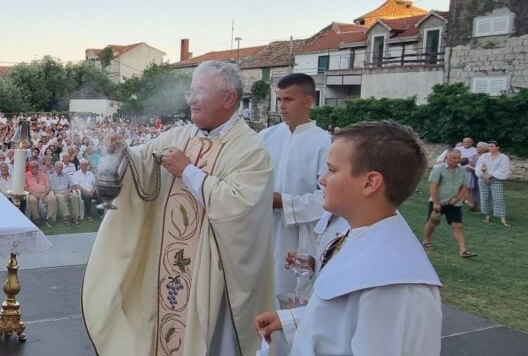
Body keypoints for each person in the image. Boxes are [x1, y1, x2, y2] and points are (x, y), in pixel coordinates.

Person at [83, 61, 274, 356]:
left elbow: (239, 206)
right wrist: (121, 151)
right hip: (164, 264)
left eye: (200, 91)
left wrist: (188, 171)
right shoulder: (180, 135)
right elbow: (142, 163)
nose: (191, 99)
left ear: (228, 99)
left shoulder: (250, 149)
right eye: (190, 91)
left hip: (210, 274)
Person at [255, 121, 442, 356]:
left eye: (332, 170)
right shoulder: (355, 233)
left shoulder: (394, 283)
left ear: (370, 183)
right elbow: (339, 321)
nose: (322, 180)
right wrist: (290, 319)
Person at [259, 73, 331, 299]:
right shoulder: (265, 137)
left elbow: (328, 199)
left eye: (288, 99)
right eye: (279, 99)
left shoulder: (324, 142)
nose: (281, 106)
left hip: (300, 235)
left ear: (309, 101)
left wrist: (285, 203)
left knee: (288, 295)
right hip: (261, 228)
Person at [422, 149, 476, 257]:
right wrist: (436, 202)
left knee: (458, 226)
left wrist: (457, 198)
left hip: (455, 204)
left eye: (458, 158)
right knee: (433, 222)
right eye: (454, 158)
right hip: (439, 202)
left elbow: (465, 186)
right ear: (447, 158)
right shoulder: (439, 169)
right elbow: (433, 186)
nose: (457, 160)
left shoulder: (461, 170)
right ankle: (426, 241)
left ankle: (463, 251)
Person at [476, 141, 511, 227]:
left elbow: (503, 169)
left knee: (498, 198)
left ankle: (502, 218)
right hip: (483, 178)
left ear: (497, 147)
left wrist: (490, 176)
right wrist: (484, 175)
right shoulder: (484, 156)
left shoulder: (503, 157)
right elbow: (479, 166)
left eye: (492, 146)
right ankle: (487, 216)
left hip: (497, 179)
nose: (490, 148)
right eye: (489, 146)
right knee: (484, 197)